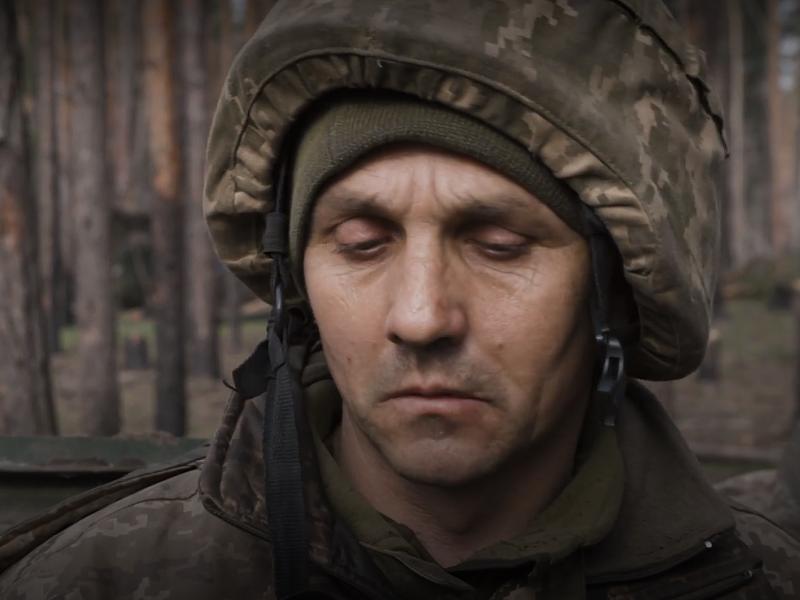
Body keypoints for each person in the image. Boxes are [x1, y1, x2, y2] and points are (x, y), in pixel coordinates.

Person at [1, 1, 798, 598]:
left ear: (616, 290)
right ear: (295, 281)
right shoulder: (104, 579)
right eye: (362, 243)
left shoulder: (761, 581)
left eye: (499, 244)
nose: (420, 317)